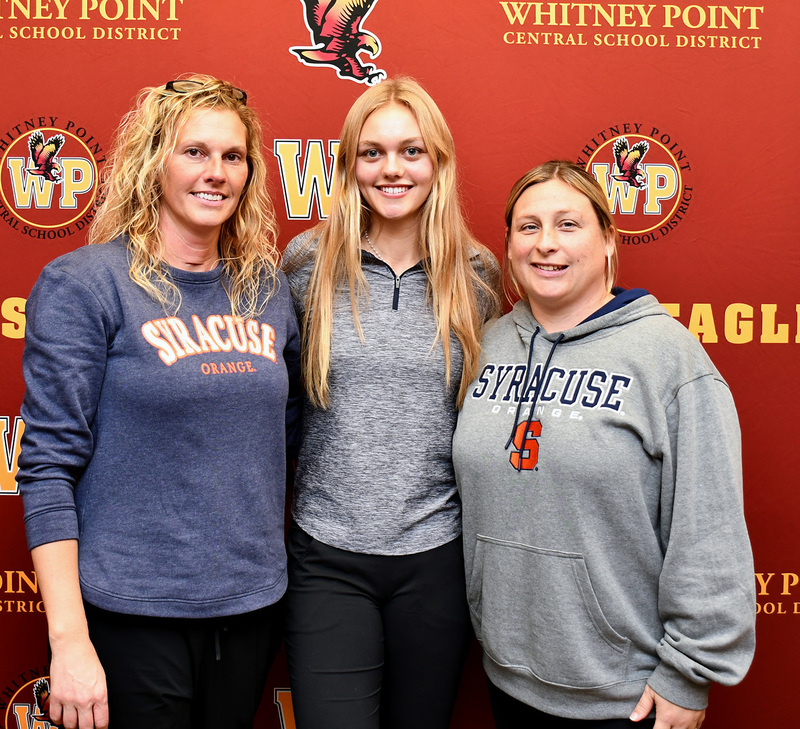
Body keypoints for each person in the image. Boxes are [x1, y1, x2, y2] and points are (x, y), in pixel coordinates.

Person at [18, 75, 302, 729]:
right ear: (155, 162)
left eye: (233, 156)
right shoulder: (86, 285)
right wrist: (69, 640)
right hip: (131, 616)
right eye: (194, 152)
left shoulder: (267, 288)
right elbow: (47, 466)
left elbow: (281, 432)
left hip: (250, 609)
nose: (216, 172)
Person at [453, 161, 756, 729]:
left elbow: (708, 528)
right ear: (509, 246)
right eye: (528, 227)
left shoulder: (668, 358)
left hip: (626, 696)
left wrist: (688, 672)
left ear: (609, 241)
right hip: (508, 675)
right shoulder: (490, 344)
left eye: (568, 225)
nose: (546, 244)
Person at [281, 77, 501, 729]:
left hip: (436, 557)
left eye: (411, 150)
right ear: (348, 164)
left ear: (438, 160)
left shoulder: (478, 273)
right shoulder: (307, 263)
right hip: (326, 555)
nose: (392, 168)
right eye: (372, 152)